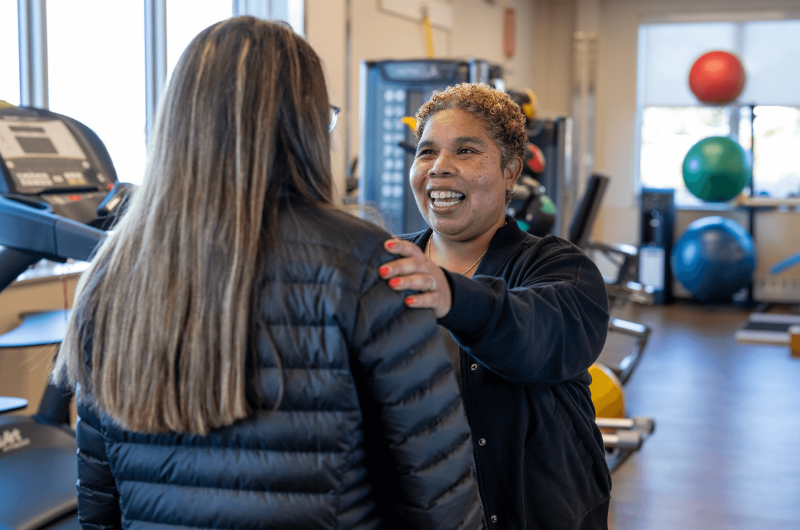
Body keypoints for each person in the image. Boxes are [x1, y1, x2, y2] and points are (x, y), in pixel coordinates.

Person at [52, 18, 482, 530]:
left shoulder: (110, 275)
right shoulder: (368, 262)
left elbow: (99, 502)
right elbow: (438, 492)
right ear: (302, 126)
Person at [379, 83, 612, 529]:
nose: (439, 168)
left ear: (510, 172)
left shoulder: (560, 267)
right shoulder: (385, 264)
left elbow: (537, 335)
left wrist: (450, 294)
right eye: (426, 152)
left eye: (465, 151)